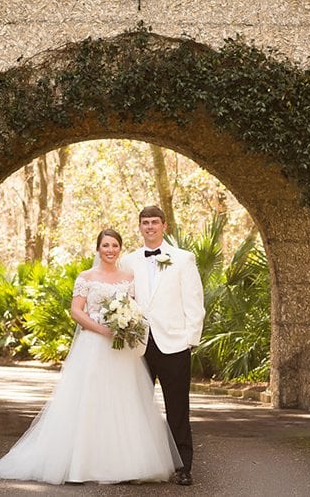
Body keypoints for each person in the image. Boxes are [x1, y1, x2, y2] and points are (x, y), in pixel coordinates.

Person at [0, 229, 182, 485]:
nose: (110, 250)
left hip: (121, 350)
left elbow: (134, 308)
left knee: (123, 401)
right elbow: (76, 311)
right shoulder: (86, 277)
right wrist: (102, 330)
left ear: (119, 249)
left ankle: (125, 464)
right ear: (98, 248)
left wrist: (126, 325)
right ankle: (80, 465)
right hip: (93, 346)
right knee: (89, 400)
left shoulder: (129, 277)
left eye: (114, 245)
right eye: (105, 245)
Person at [123, 206, 205, 486]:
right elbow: (124, 299)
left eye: (154, 222)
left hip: (174, 344)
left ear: (164, 225)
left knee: (178, 408)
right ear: (140, 227)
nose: (149, 227)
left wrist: (190, 340)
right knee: (136, 406)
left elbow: (194, 302)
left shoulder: (183, 259)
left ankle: (183, 467)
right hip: (138, 345)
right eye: (145, 223)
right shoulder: (129, 260)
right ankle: (135, 464)